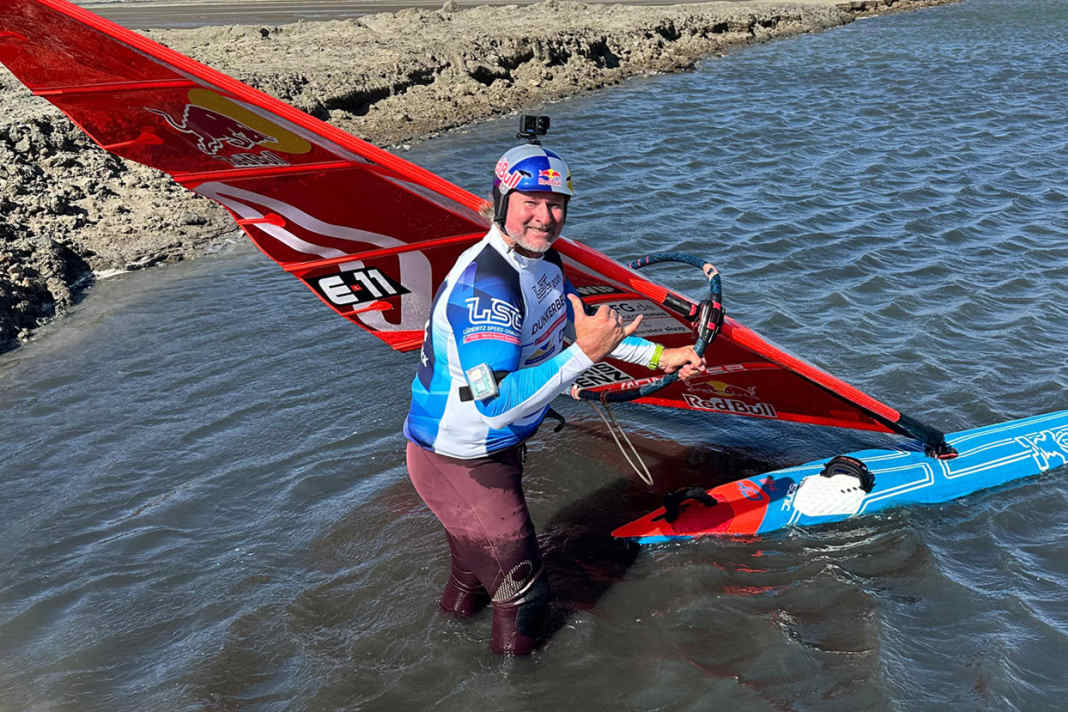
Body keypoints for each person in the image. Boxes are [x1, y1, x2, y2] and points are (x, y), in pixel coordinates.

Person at [403, 141, 705, 655]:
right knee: (526, 598)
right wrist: (584, 357)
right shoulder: (487, 291)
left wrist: (661, 357)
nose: (545, 217)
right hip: (460, 461)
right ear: (502, 203)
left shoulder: (543, 264)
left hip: (486, 453)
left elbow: (577, 329)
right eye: (531, 203)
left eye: (556, 203)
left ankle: (437, 656)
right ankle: (508, 687)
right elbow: (495, 402)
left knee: (473, 581)